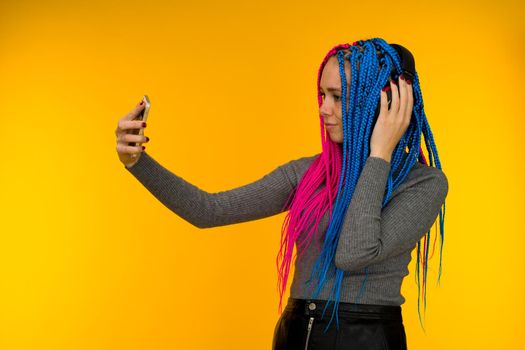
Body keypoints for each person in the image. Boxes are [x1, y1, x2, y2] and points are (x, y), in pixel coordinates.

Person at [114, 37, 448, 349]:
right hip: (295, 333)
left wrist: (379, 156)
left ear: (386, 103)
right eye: (322, 96)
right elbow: (208, 210)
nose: (322, 109)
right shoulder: (307, 173)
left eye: (337, 96)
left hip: (366, 338)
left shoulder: (423, 184)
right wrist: (137, 162)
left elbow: (354, 253)